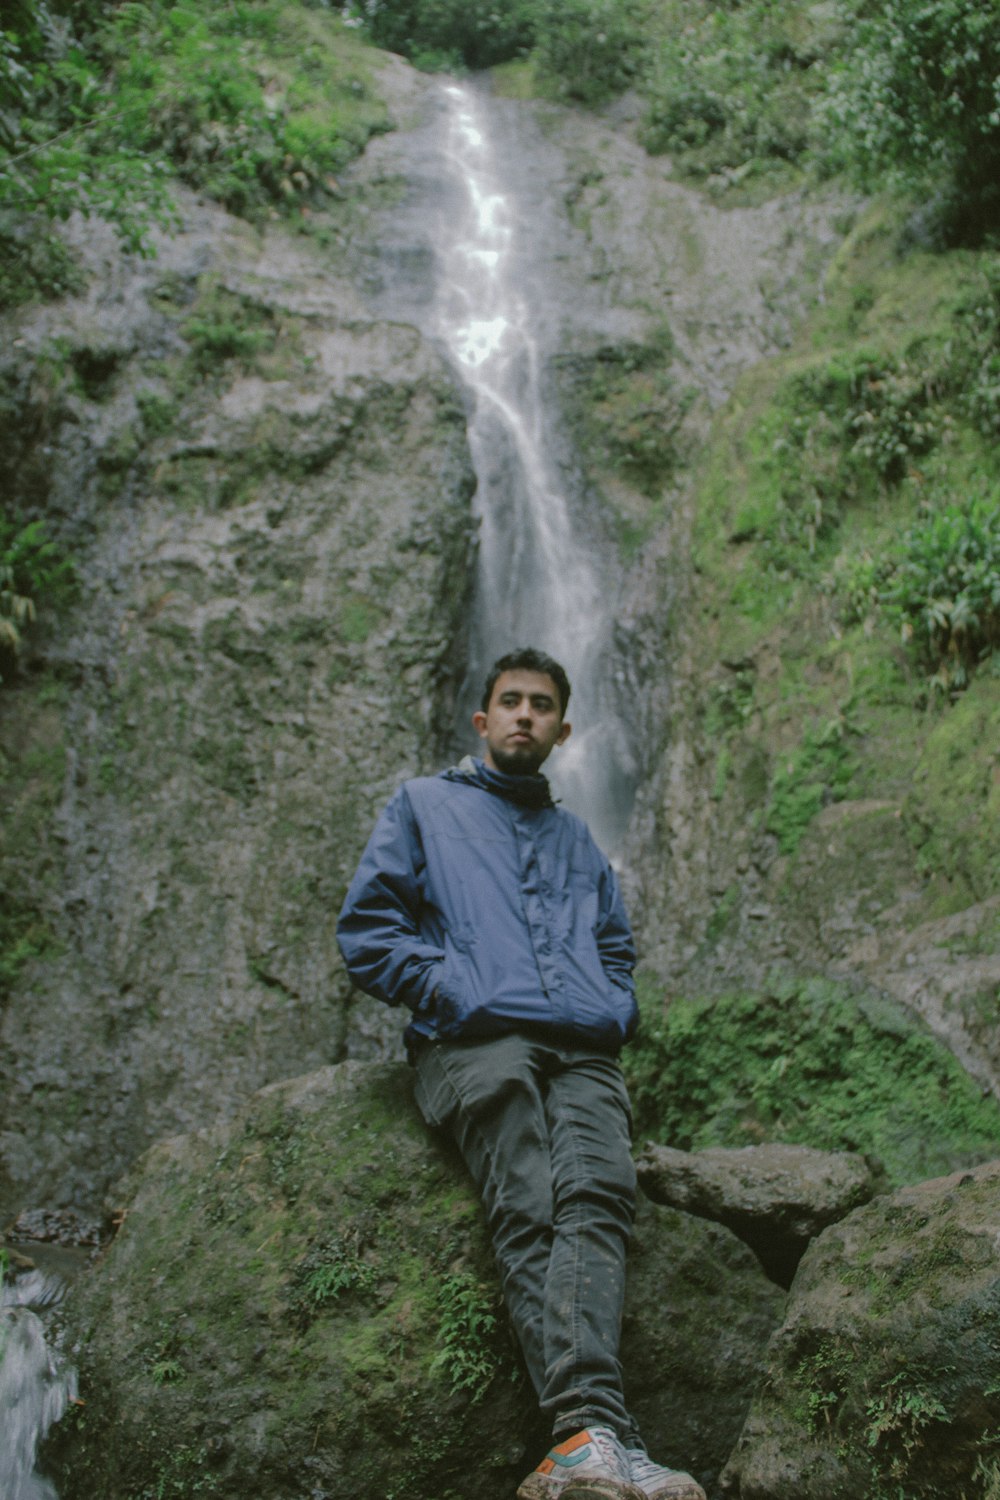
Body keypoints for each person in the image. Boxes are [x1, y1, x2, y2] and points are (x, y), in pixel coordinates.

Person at [337, 646, 705, 1500]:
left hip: (581, 1046)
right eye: (511, 701)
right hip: (474, 1043)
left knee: (602, 1192)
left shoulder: (578, 837)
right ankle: (591, 1431)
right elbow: (367, 930)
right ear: (483, 719)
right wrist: (453, 990)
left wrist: (616, 1007)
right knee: (531, 1191)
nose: (525, 715)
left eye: (542, 704)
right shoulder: (423, 806)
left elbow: (615, 946)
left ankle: (596, 1441)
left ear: (563, 729)